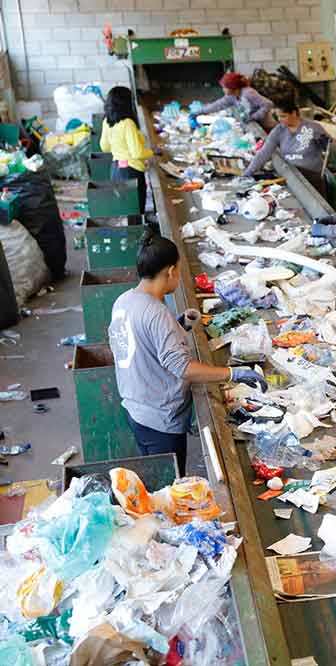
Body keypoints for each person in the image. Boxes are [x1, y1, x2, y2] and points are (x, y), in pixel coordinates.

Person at [108, 232, 267, 474]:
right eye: (179, 270)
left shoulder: (123, 300)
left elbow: (141, 343)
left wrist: (179, 326)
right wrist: (233, 373)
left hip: (136, 409)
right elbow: (183, 368)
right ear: (170, 271)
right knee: (171, 488)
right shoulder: (157, 314)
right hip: (160, 419)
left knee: (158, 480)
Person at [243, 98, 330, 194]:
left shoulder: (313, 128)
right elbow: (264, 153)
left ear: (294, 113)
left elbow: (329, 150)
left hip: (312, 177)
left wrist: (326, 141)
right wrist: (248, 173)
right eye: (278, 117)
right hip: (292, 175)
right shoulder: (279, 130)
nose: (280, 119)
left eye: (283, 116)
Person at [100, 86, 152, 225]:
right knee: (136, 213)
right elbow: (137, 153)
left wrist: (120, 149)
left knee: (125, 212)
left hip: (116, 170)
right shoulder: (128, 123)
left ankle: (130, 241)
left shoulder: (107, 121)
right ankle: (140, 241)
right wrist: (153, 152)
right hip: (131, 172)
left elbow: (104, 147)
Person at [200, 72, 275, 130]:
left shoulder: (248, 93)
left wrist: (254, 117)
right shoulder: (231, 96)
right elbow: (218, 105)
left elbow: (268, 104)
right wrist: (201, 111)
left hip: (267, 124)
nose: (223, 89)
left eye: (224, 87)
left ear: (232, 87)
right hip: (255, 123)